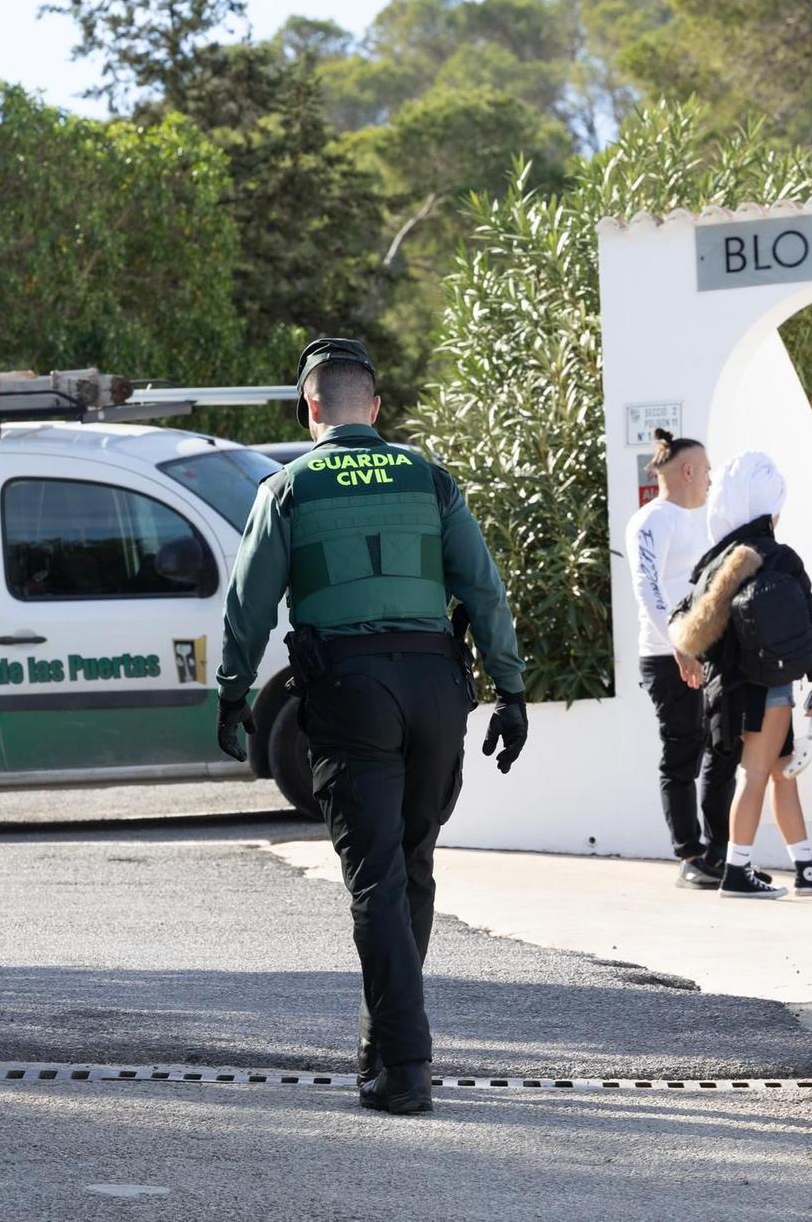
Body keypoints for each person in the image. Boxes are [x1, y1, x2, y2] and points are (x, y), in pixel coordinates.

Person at [216, 338, 528, 1116]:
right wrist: (513, 691)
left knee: (376, 879)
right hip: (434, 687)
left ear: (310, 407)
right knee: (412, 867)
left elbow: (249, 603)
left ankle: (407, 1064)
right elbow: (483, 590)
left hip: (351, 690)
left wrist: (231, 695)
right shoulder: (429, 477)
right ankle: (381, 1041)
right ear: (376, 408)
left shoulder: (288, 488)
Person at [670, 453, 812, 900]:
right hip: (768, 687)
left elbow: (685, 616)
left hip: (732, 687)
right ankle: (737, 870)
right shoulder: (778, 557)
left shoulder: (718, 559)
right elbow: (810, 619)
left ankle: (805, 867)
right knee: (755, 774)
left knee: (782, 772)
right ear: (770, 511)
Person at [624, 429, 735, 889]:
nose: (710, 478)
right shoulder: (651, 521)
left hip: (705, 654)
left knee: (719, 749)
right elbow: (647, 588)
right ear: (688, 470)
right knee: (682, 752)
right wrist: (681, 645)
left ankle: (719, 853)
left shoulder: (703, 521)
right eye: (706, 469)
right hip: (668, 656)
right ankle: (690, 854)